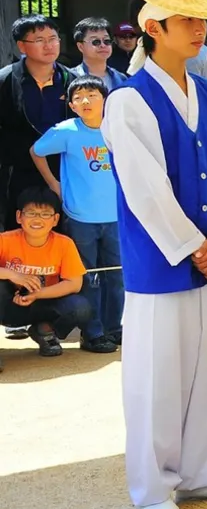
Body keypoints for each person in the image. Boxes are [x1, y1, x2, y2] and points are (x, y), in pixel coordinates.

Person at [101, 0, 207, 509]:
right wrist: (196, 244)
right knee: (157, 374)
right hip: (163, 258)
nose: (198, 30)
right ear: (154, 28)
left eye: (201, 20)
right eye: (183, 19)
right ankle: (152, 485)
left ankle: (206, 471)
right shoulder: (126, 100)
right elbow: (143, 187)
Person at [30, 76, 123, 353]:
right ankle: (92, 333)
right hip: (81, 217)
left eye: (92, 95)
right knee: (89, 278)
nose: (86, 101)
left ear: (105, 99)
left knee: (116, 276)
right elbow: (36, 151)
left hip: (117, 216)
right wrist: (53, 184)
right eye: (79, 96)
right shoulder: (67, 131)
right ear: (70, 104)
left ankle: (115, 328)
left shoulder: (117, 128)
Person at [0, 15, 76, 231]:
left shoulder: (71, 81)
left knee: (63, 231)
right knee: (17, 230)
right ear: (22, 46)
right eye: (39, 40)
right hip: (17, 171)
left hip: (62, 171)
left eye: (53, 38)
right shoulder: (6, 81)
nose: (49, 45)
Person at [0, 187, 92, 361]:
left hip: (45, 303)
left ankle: (45, 330)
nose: (37, 219)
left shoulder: (64, 244)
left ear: (55, 219)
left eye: (45, 214)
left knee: (80, 307)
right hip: (8, 306)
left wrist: (38, 294)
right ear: (19, 217)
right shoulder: (5, 240)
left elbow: (74, 283)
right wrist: (12, 274)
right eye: (31, 213)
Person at [70, 17, 129, 92]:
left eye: (107, 41)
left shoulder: (121, 78)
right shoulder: (71, 78)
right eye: (96, 41)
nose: (103, 45)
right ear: (80, 47)